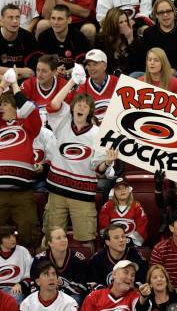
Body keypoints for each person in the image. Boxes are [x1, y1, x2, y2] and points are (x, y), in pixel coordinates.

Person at [46, 74, 117, 246]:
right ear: (72, 108)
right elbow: (53, 105)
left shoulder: (98, 135)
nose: (81, 107)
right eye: (78, 104)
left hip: (82, 195)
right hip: (57, 192)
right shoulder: (62, 122)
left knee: (86, 240)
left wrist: (107, 162)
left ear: (90, 111)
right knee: (49, 239)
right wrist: (72, 81)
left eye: (85, 106)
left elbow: (98, 169)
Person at [0, 70, 42, 250]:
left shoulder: (28, 126)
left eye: (5, 104)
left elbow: (29, 109)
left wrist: (14, 86)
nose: (1, 108)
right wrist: (1, 86)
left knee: (29, 232)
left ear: (15, 107)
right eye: (1, 105)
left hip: (23, 193)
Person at [32, 227, 92, 304]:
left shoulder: (78, 259)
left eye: (64, 236)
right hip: (46, 294)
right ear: (50, 243)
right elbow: (34, 284)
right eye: (58, 238)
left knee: (75, 299)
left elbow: (82, 287)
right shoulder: (39, 259)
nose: (63, 240)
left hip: (70, 295)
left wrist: (59, 294)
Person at [0, 4, 41, 78]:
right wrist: (18, 72)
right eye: (10, 17)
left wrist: (2, 72)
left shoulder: (28, 37)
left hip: (22, 81)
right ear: (2, 19)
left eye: (17, 17)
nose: (15, 21)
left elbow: (31, 72)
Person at [0, 225, 33, 303]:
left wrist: (21, 285)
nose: (13, 239)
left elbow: (30, 272)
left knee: (14, 298)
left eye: (13, 236)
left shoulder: (23, 251)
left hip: (15, 288)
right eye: (8, 237)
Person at [98, 177, 148, 247]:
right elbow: (104, 226)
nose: (122, 191)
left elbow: (142, 226)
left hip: (131, 245)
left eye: (125, 187)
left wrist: (131, 240)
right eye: (118, 189)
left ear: (129, 189)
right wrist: (112, 240)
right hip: (112, 245)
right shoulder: (107, 207)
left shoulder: (137, 206)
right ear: (113, 192)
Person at [95, 7, 145, 76]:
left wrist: (130, 39)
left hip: (130, 76)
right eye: (121, 22)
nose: (125, 24)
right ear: (112, 24)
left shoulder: (134, 36)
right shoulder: (101, 39)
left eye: (126, 21)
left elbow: (139, 66)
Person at [21, 54, 70, 124]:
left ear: (54, 72)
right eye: (38, 70)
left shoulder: (64, 86)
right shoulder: (28, 85)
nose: (39, 74)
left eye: (44, 71)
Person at [38, 5, 89, 70]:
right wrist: (54, 72)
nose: (55, 22)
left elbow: (81, 66)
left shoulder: (78, 37)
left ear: (69, 20)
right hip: (51, 75)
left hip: (73, 75)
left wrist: (67, 73)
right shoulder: (44, 37)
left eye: (60, 19)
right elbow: (41, 64)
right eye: (53, 18)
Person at [81, 260, 147, 311]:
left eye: (133, 275)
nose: (130, 278)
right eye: (126, 272)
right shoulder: (94, 296)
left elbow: (140, 307)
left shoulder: (135, 296)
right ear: (114, 274)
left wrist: (143, 296)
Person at [75, 49, 119, 123]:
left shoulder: (117, 82)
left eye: (95, 64)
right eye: (89, 65)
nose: (91, 68)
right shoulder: (83, 85)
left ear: (104, 66)